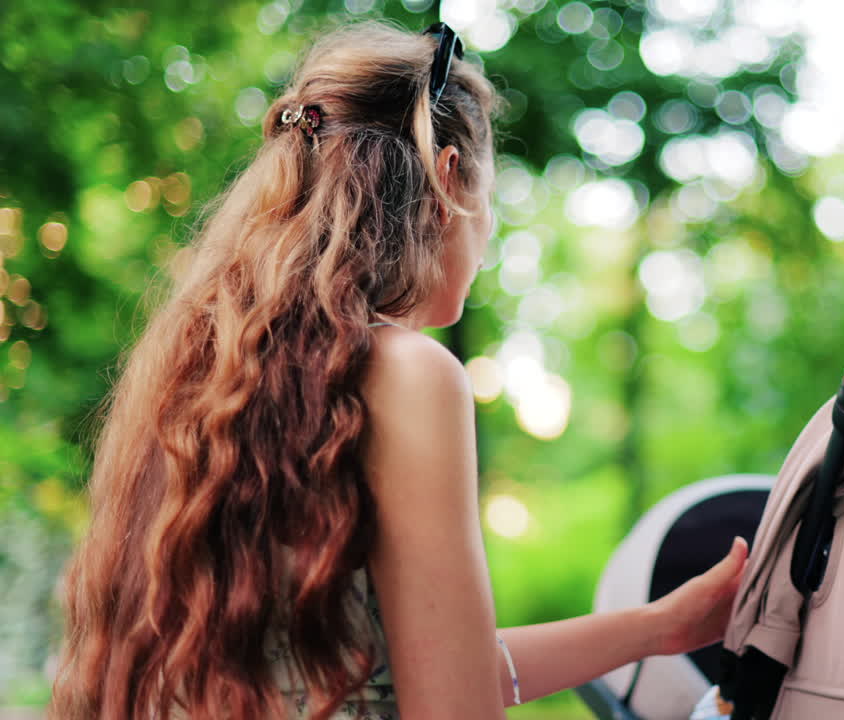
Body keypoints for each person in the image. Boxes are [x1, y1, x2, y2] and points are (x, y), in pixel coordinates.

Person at [49, 20, 748, 720]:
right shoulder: (410, 375)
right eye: (491, 199)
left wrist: (662, 629)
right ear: (450, 181)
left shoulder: (202, 379)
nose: (489, 234)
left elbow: (411, 663)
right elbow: (456, 705)